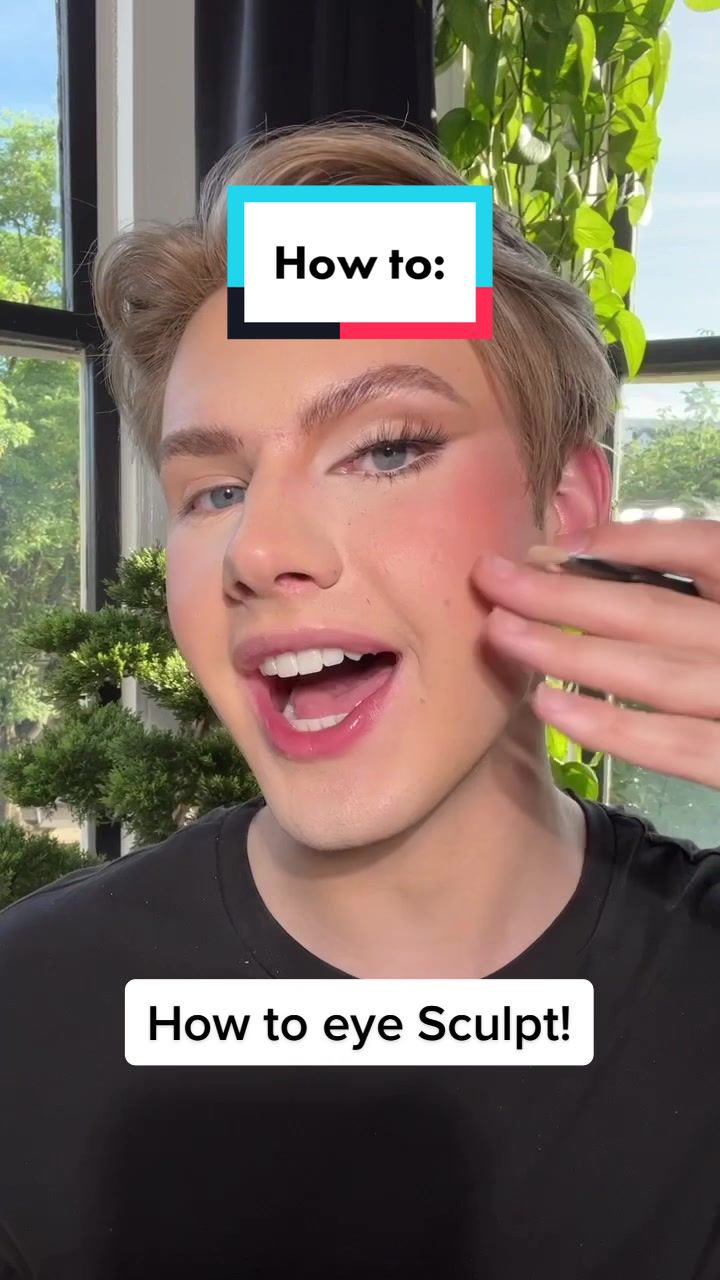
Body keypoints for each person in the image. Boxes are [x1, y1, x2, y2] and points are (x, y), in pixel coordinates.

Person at [1, 119, 719, 1280]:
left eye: (386, 449)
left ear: (566, 509)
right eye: (214, 489)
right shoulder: (28, 1018)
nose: (260, 548)